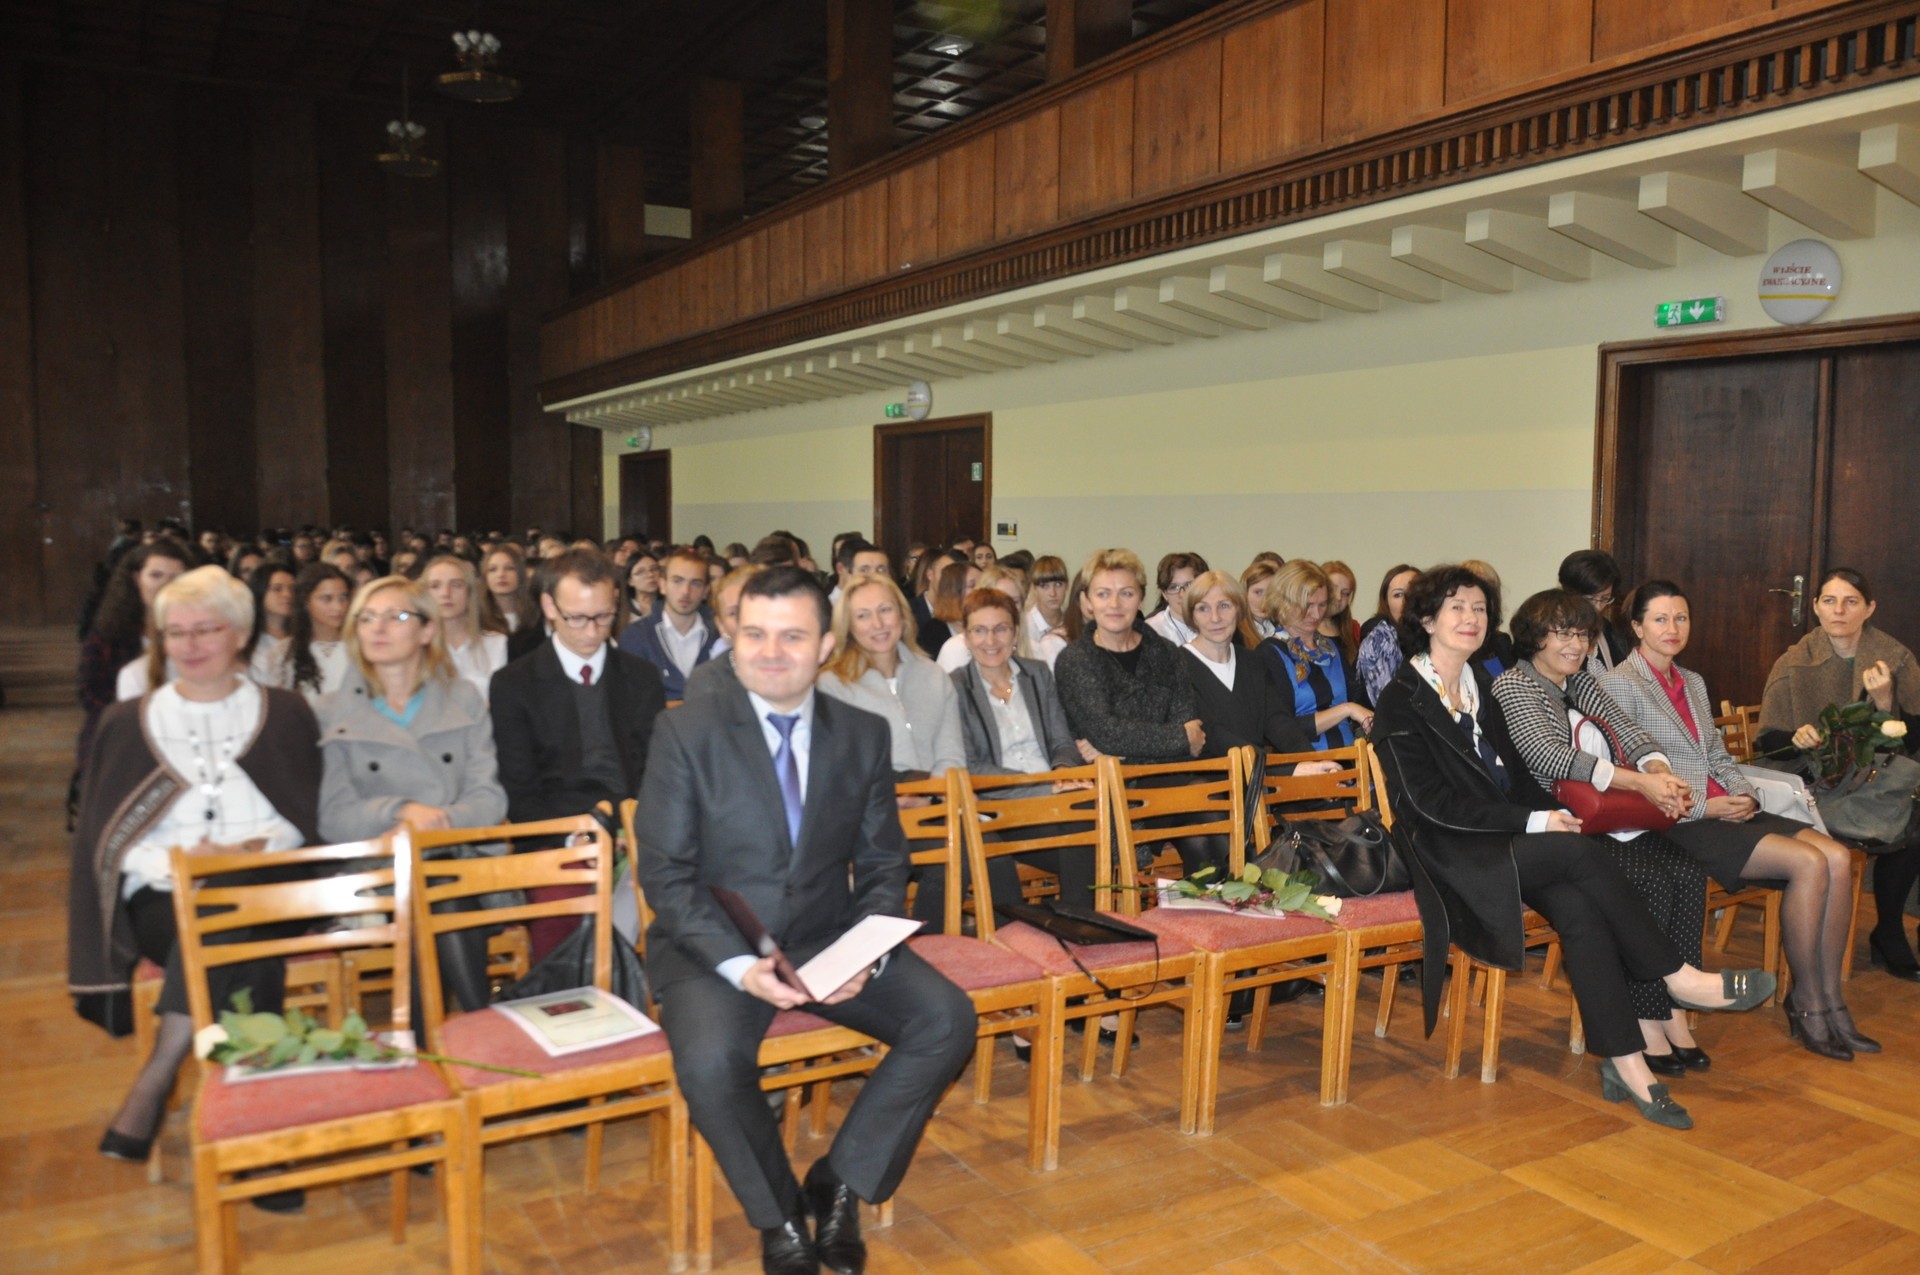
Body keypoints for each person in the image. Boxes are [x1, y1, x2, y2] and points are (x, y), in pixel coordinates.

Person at [635, 567, 977, 1275]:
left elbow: (883, 862)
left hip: (826, 936)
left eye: (791, 636)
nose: (770, 652)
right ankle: (781, 1216)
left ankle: (842, 1179)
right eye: (754, 634)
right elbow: (666, 874)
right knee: (709, 1061)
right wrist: (740, 966)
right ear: (733, 639)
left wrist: (864, 953)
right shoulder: (685, 731)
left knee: (947, 1019)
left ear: (824, 645)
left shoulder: (860, 733)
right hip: (714, 944)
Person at [1371, 565, 1776, 1131]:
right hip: (1452, 851)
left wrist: (1551, 815)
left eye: (1479, 608)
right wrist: (1536, 820)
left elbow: (1517, 777)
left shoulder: (1479, 687)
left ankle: (1628, 1065)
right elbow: (1429, 805)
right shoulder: (1402, 700)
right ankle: (1678, 977)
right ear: (1426, 619)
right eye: (1456, 607)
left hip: (1506, 839)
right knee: (1582, 853)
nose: (1471, 617)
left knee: (1582, 908)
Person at [69, 568, 320, 1168]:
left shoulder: (285, 711)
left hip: (275, 882)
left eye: (206, 629)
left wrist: (242, 856)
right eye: (175, 632)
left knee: (232, 905)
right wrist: (181, 864)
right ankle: (259, 1130)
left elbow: (308, 813)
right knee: (237, 940)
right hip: (164, 896)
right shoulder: (128, 722)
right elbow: (107, 840)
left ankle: (159, 1074)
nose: (189, 644)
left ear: (240, 634)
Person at [1602, 580, 1874, 1057]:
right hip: (1680, 822)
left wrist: (1744, 793)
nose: (1673, 628)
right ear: (1637, 627)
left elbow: (1717, 755)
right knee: (1808, 863)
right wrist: (1706, 806)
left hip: (1725, 810)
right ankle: (1808, 1002)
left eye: (1681, 617)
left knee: (1834, 855)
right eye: (1660, 619)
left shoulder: (1693, 681)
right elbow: (1633, 777)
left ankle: (1831, 999)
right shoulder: (1618, 684)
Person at [1490, 589, 1718, 1073]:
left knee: (1687, 872)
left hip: (1603, 816)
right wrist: (1640, 783)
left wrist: (1658, 770)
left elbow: (1628, 730)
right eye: (1562, 634)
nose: (1575, 645)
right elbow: (1549, 756)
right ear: (1534, 636)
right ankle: (1645, 1018)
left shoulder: (1581, 680)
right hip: (1554, 823)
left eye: (1583, 635)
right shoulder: (1514, 685)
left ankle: (1673, 1009)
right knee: (1650, 882)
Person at [317, 573, 507, 1015]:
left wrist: (438, 823)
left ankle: (433, 1038)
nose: (378, 628)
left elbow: (490, 798)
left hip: (458, 856)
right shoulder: (330, 710)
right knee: (435, 892)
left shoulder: (463, 698)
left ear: (426, 630)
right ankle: (481, 1022)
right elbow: (334, 816)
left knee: (439, 887)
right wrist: (401, 811)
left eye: (395, 617)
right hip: (377, 869)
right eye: (366, 618)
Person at [489, 549, 667, 961]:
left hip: (633, 829)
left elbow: (656, 772)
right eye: (578, 618)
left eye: (604, 617)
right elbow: (520, 789)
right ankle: (574, 992)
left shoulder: (640, 677)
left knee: (678, 889)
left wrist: (631, 828)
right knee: (563, 914)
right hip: (557, 835)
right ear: (550, 607)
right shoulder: (515, 684)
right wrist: (575, 835)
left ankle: (643, 989)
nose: (592, 631)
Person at [1759, 569, 1919, 989]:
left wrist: (1885, 701)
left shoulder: (1896, 657)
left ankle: (1888, 929)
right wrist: (1796, 739)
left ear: (1870, 608)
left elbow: (1913, 741)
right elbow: (1768, 741)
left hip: (1874, 778)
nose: (1839, 611)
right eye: (1829, 601)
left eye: (1851, 601)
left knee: (1914, 824)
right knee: (1906, 822)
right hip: (1812, 784)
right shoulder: (1793, 661)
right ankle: (1881, 934)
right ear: (1815, 607)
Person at [940, 588, 1090, 924]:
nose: (991, 640)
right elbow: (970, 766)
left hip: (1052, 804)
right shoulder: (955, 687)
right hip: (998, 809)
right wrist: (1044, 787)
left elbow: (1061, 740)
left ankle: (1074, 929)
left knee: (1084, 830)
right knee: (1082, 846)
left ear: (1015, 632)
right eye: (979, 630)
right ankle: (1055, 932)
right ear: (966, 637)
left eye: (1001, 628)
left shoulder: (1037, 674)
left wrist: (1062, 770)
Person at [1054, 548, 1204, 766]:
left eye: (1126, 594)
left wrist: (1121, 752)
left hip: (1171, 781)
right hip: (1104, 783)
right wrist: (1180, 739)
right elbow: (1106, 734)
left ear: (1141, 599)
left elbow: (1194, 741)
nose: (1115, 604)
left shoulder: (1168, 653)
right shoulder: (1074, 660)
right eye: (1103, 594)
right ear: (1087, 601)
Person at [815, 575, 964, 792]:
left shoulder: (934, 676)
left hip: (939, 802)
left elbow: (952, 755)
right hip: (870, 806)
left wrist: (931, 796)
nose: (878, 624)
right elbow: (839, 768)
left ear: (902, 615)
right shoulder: (831, 686)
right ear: (848, 626)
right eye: (863, 615)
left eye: (885, 610)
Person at [78, 538, 192, 766]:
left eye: (176, 577)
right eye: (156, 575)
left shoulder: (200, 632)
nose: (166, 585)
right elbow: (92, 693)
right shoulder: (109, 631)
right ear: (137, 578)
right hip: (122, 734)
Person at [1255, 559, 1372, 751]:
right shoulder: (1270, 653)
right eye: (1307, 605)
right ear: (1284, 603)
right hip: (1305, 761)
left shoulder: (1331, 649)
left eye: (1322, 605)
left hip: (1350, 758)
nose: (1316, 615)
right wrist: (1346, 709)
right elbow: (1281, 729)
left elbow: (1359, 699)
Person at [618, 547, 717, 701]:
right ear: (662, 585)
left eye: (696, 583)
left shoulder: (719, 636)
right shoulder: (635, 636)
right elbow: (633, 701)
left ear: (706, 591)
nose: (685, 591)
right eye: (677, 581)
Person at [422, 554, 509, 704]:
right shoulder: (415, 647)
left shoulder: (496, 643)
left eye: (456, 585)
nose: (445, 593)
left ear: (470, 592)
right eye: (435, 586)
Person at [260, 563, 353, 703]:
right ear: (306, 602)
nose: (338, 607)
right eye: (326, 599)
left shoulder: (358, 647)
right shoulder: (284, 653)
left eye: (343, 598)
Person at [685, 564, 762, 702]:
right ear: (721, 625)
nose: (745, 619)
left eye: (755, 608)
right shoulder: (707, 681)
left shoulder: (797, 665)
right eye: (734, 613)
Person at [1559, 548, 1631, 673]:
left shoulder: (1608, 630)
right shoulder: (1553, 631)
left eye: (1604, 599)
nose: (1597, 607)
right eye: (1589, 599)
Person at [1355, 563, 1417, 707]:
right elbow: (1389, 706)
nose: (1407, 600)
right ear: (1387, 603)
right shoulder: (1379, 639)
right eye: (1398, 595)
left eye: (1414, 591)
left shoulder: (1436, 636)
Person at [245, 561, 298, 684]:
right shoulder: (248, 644)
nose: (287, 595)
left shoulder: (303, 638)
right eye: (277, 589)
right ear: (260, 592)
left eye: (292, 589)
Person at [1145, 552, 1206, 647]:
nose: (1182, 594)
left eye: (1189, 585)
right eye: (1173, 587)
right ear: (1164, 594)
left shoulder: (1216, 623)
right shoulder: (1152, 632)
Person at [481, 544, 537, 635]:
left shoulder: (536, 616)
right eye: (492, 569)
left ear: (520, 574)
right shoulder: (476, 619)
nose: (501, 574)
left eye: (509, 568)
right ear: (485, 576)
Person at [1318, 560, 1361, 663]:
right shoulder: (1302, 629)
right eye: (1332, 589)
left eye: (1345, 593)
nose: (1338, 597)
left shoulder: (1352, 630)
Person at [1023, 555, 1069, 648]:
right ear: (1034, 588)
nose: (1052, 593)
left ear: (1067, 586)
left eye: (1058, 584)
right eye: (1044, 586)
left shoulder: (1072, 621)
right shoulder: (1026, 627)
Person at [1239, 558, 1280, 642]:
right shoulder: (1236, 634)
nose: (1264, 600)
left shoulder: (1281, 627)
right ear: (1244, 593)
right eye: (1258, 592)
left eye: (1270, 592)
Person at [625, 549, 663, 626]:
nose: (650, 574)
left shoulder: (670, 605)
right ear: (630, 581)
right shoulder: (623, 611)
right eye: (641, 572)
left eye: (654, 569)